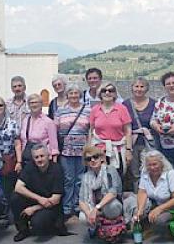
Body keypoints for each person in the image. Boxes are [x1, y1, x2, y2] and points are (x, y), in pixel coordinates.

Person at [11, 144, 70, 241]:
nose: (39, 159)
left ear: (48, 156)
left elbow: (56, 199)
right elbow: (18, 187)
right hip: (39, 200)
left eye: (42, 156)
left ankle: (50, 226)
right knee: (15, 197)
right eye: (36, 157)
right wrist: (39, 199)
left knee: (38, 224)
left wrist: (34, 208)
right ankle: (23, 230)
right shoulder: (30, 167)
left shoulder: (57, 169)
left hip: (52, 206)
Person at [53, 83, 90, 219]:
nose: (73, 96)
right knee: (68, 179)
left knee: (80, 179)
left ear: (80, 95)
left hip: (82, 149)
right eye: (71, 93)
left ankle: (77, 205)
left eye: (76, 93)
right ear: (67, 95)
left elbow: (91, 129)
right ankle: (67, 207)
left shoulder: (87, 109)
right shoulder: (60, 110)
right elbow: (55, 129)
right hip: (66, 149)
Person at [126, 150, 174, 237]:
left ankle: (171, 228)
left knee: (159, 220)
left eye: (155, 164)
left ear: (161, 163)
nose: (152, 167)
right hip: (154, 203)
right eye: (149, 165)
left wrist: (159, 209)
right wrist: (140, 210)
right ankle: (146, 226)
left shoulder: (171, 174)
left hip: (171, 207)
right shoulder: (145, 173)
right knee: (137, 209)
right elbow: (142, 192)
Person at [79, 145, 134, 233]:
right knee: (82, 216)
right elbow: (81, 200)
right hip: (96, 208)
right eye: (89, 159)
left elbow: (113, 193)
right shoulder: (86, 177)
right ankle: (97, 227)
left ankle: (114, 227)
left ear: (101, 158)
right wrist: (88, 213)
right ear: (86, 163)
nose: (92, 160)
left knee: (111, 207)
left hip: (110, 205)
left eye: (95, 157)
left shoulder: (110, 170)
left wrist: (96, 209)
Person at [89, 82, 132, 179]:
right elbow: (91, 131)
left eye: (110, 90)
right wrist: (89, 150)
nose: (107, 93)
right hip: (99, 151)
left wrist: (129, 150)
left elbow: (128, 131)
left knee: (117, 180)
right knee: (100, 180)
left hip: (118, 150)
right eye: (104, 90)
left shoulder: (122, 109)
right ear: (100, 93)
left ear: (115, 94)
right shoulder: (95, 110)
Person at [123, 77, 157, 191]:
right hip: (131, 143)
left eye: (142, 86)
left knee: (148, 170)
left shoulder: (154, 104)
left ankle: (149, 196)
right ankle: (137, 195)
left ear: (147, 88)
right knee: (134, 172)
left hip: (148, 142)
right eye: (136, 86)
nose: (139, 89)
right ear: (132, 88)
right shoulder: (125, 104)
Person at [18, 93, 59, 167]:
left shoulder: (48, 122)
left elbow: (54, 146)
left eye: (36, 102)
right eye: (31, 103)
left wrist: (54, 164)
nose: (34, 105)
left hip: (42, 161)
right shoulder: (25, 120)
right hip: (27, 159)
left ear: (41, 104)